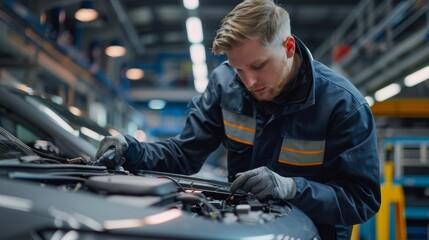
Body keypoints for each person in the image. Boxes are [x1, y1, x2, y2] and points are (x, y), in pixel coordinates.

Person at [94, 0, 381, 238]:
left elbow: (362, 199)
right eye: (238, 69)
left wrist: (293, 188)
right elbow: (185, 154)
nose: (249, 81)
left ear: (289, 47)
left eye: (258, 65)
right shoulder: (225, 85)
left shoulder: (343, 105)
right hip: (243, 230)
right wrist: (132, 149)